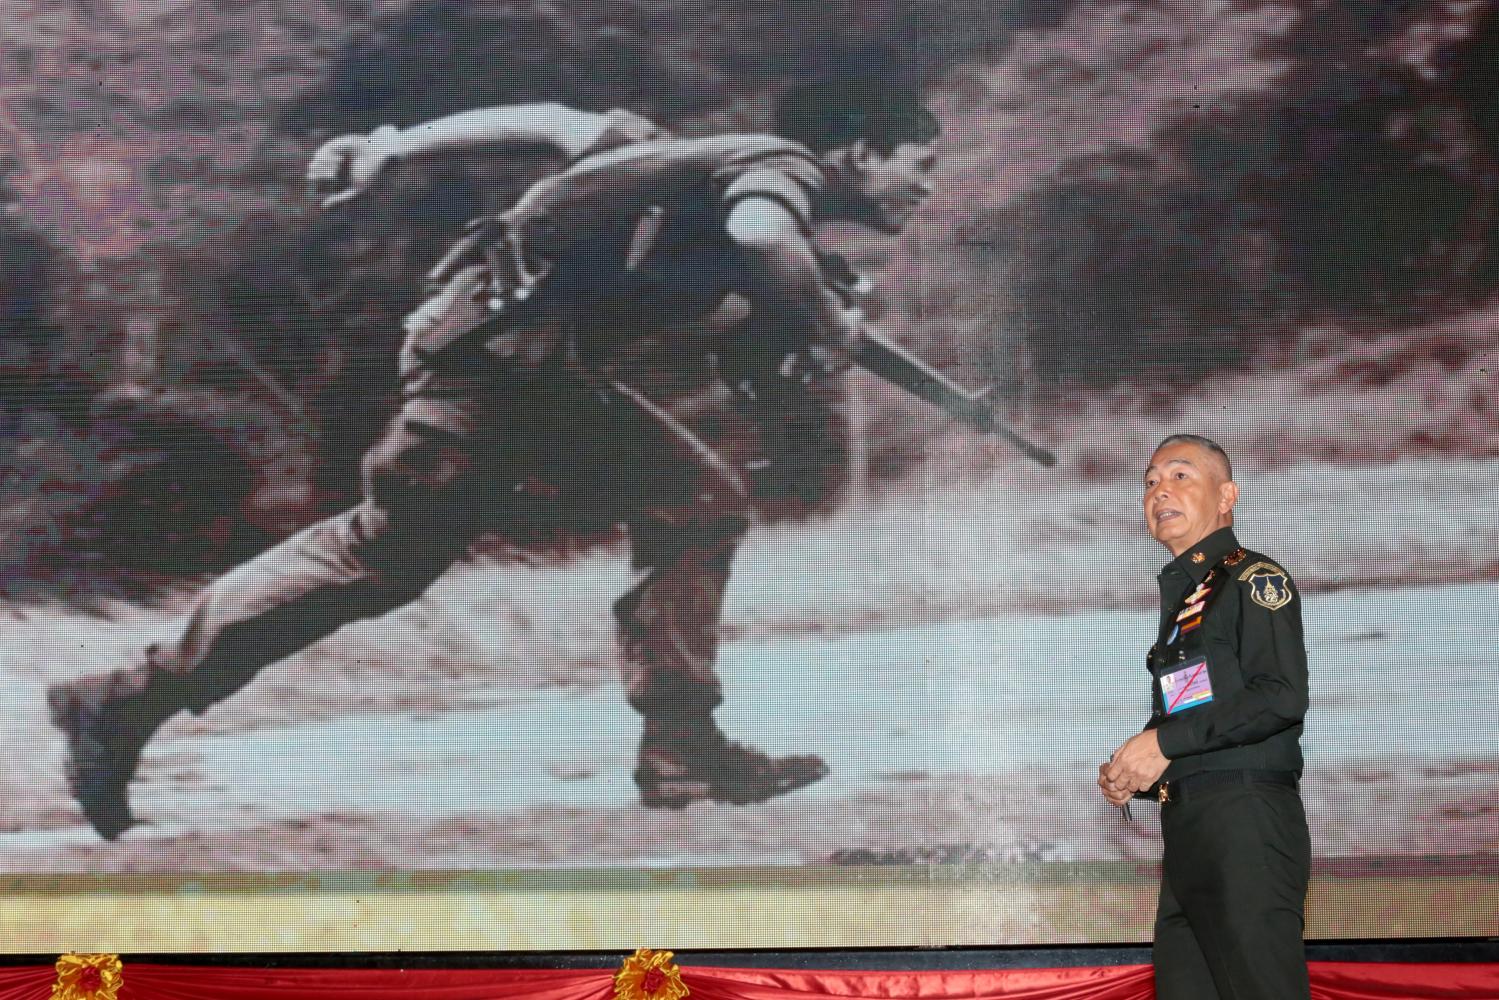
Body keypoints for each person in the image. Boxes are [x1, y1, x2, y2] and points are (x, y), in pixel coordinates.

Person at [47, 79, 942, 839]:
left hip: (523, 371)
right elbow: (760, 239)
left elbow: (549, 122)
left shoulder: (672, 161)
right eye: (920, 163)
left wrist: (390, 147)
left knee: (692, 502)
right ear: (857, 152)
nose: (927, 187)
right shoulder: (774, 167)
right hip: (499, 372)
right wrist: (828, 324)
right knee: (378, 555)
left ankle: (683, 751)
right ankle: (124, 699)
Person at [1098, 433, 1311, 999]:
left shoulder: (1253, 578)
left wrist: (1163, 744)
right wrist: (1136, 767)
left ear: (1227, 496)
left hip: (1244, 822)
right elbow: (1205, 718)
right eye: (1149, 481)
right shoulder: (1186, 599)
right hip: (1189, 831)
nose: (1158, 489)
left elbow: (1280, 696)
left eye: (1179, 475)